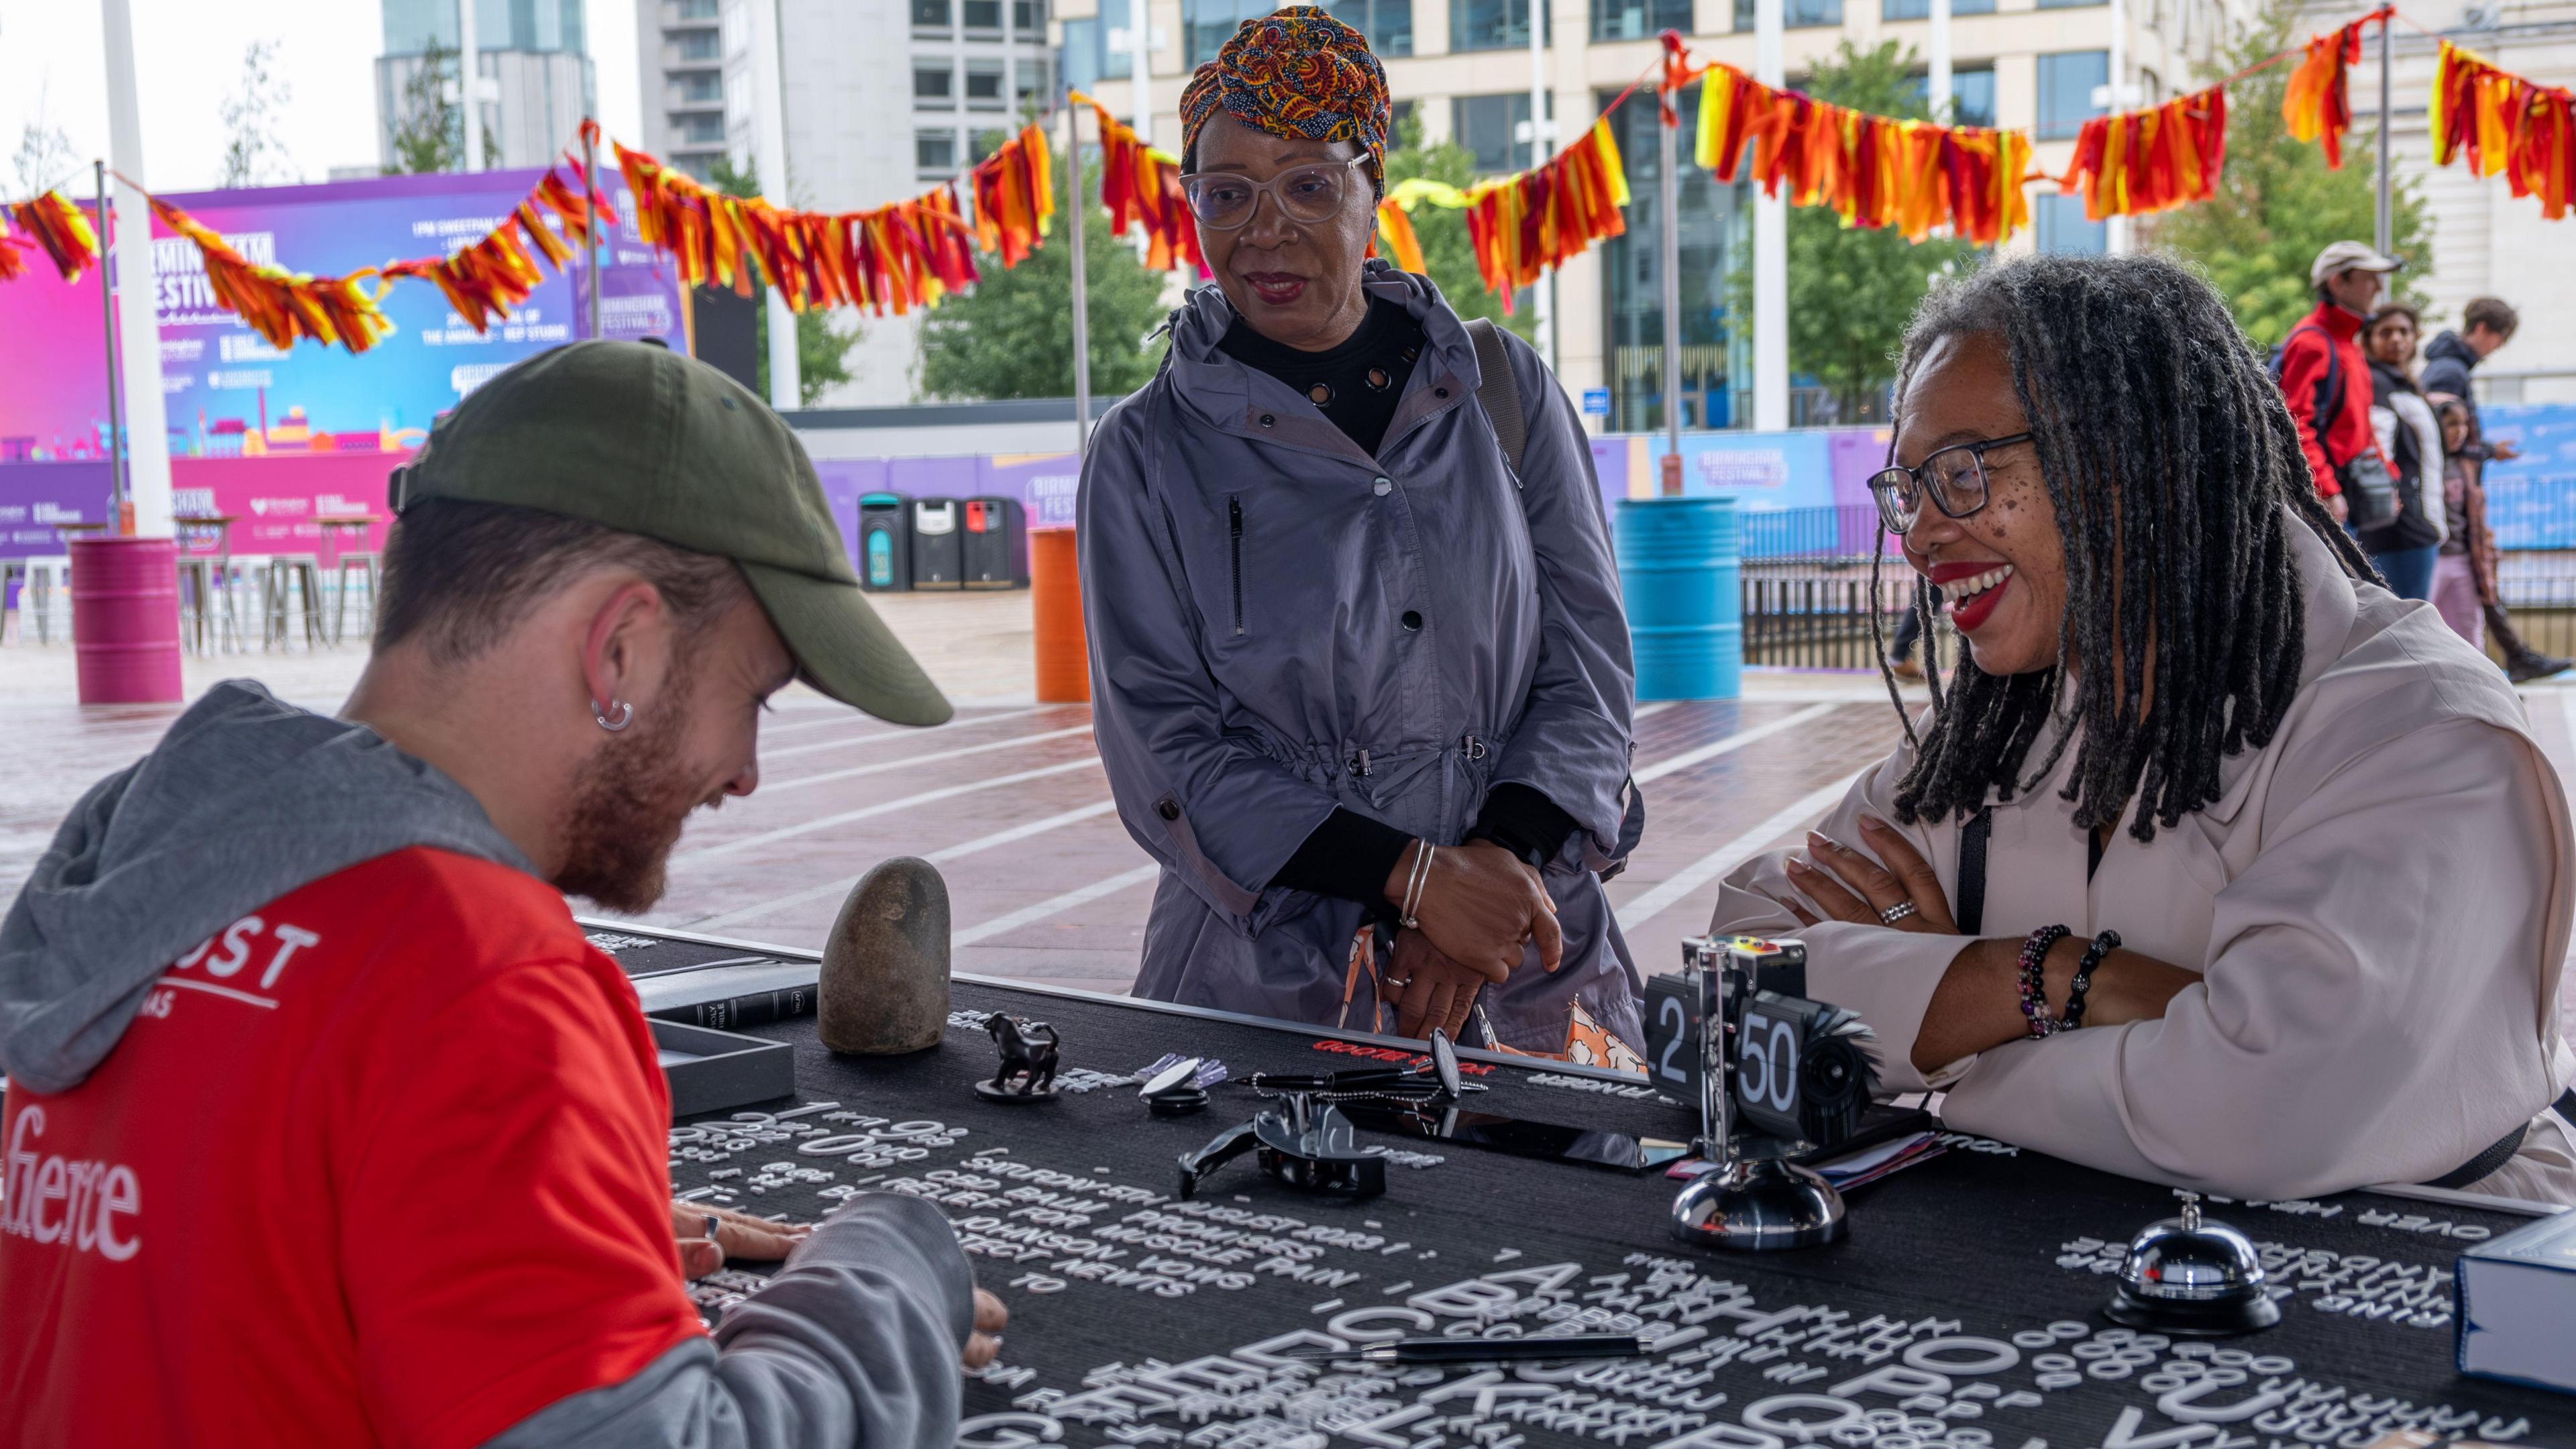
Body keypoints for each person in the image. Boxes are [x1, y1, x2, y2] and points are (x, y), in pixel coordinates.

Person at [0, 341, 1006, 1446]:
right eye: (753, 695)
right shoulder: (483, 983)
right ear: (619, 649)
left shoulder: (156, 882)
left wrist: (521, 1250)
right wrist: (894, 1271)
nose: (746, 769)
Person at [1710, 255, 2576, 1203]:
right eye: (1910, 488)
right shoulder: (2008, 722)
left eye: (1960, 472)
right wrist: (2039, 981)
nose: (1917, 535)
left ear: (2129, 457)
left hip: (2408, 1292)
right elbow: (1734, 990)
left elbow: (2259, 1111)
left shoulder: (2418, 731)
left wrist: (1941, 1041)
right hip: (2033, 1278)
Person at [1079, 7, 1644, 1058]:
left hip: (1525, 970)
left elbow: (1590, 669)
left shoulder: (1499, 391)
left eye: (1307, 184)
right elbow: (1165, 749)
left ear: (1372, 182)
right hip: (1267, 998)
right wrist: (1417, 880)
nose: (1264, 230)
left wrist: (1491, 880)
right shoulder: (1144, 454)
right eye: (1227, 194)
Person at [2423, 297, 2569, 682]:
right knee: (2463, 595)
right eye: (2499, 339)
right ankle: (2509, 662)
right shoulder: (2449, 371)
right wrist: (2484, 451)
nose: (2496, 350)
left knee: (2475, 595)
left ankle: (2508, 663)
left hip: (2458, 504)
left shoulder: (2450, 367)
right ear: (2484, 330)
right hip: (2452, 507)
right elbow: (2443, 433)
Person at [2274, 240, 2402, 530]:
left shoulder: (2346, 344)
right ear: (2337, 282)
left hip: (2343, 497)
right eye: (2369, 278)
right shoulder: (2312, 343)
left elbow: (2362, 426)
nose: (2378, 288)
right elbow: (2295, 424)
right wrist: (2325, 490)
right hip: (2329, 502)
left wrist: (2388, 476)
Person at [2358, 303, 2445, 599]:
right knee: (2410, 619)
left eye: (2404, 331)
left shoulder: (2405, 384)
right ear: (2370, 339)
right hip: (2398, 526)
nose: (2397, 339)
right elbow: (2377, 443)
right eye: (2386, 332)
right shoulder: (2376, 381)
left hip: (2415, 522)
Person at [2432, 394, 2487, 647]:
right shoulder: (2427, 461)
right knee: (2425, 630)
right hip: (2432, 556)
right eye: (2452, 424)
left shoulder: (2466, 463)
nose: (2461, 431)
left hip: (2461, 556)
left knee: (2471, 631)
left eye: (2464, 424)